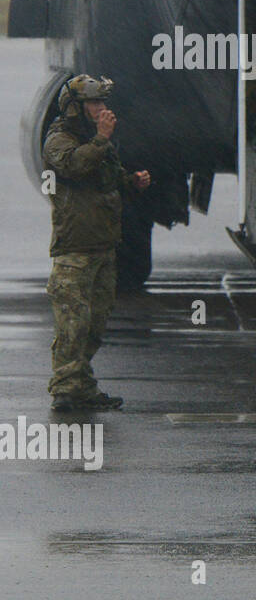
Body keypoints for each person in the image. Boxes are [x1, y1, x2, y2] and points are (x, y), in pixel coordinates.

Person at [42, 76, 152, 411]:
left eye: (103, 103)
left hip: (103, 245)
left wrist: (132, 181)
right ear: (75, 107)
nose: (102, 109)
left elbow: (106, 178)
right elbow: (74, 166)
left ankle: (82, 386)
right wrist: (102, 139)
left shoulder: (97, 142)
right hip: (75, 248)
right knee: (72, 322)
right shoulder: (59, 140)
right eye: (94, 104)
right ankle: (65, 389)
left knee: (94, 323)